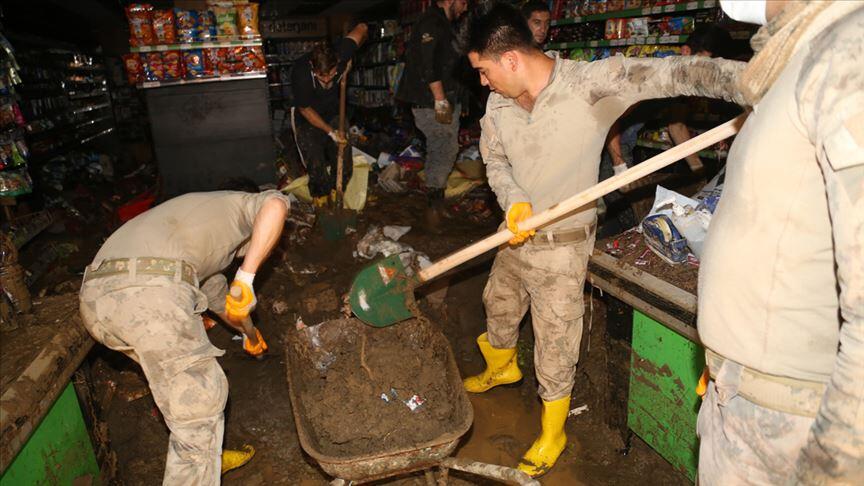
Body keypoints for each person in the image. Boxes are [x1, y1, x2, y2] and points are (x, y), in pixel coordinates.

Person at [461, 3, 746, 477]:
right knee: (499, 302)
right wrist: (513, 199)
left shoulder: (591, 85)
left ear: (510, 59)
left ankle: (553, 431)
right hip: (514, 234)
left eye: (484, 71)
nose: (483, 82)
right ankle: (502, 366)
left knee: (556, 340)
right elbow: (495, 161)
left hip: (563, 245)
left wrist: (755, 82)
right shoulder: (498, 103)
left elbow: (675, 73)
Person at [697, 0, 864, 484]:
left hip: (788, 420)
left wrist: (834, 464)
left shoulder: (849, 52)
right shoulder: (803, 53)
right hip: (748, 397)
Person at [79, 188, 292, 485]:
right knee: (200, 403)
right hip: (149, 290)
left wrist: (251, 335)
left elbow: (224, 304)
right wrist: (246, 276)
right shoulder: (240, 207)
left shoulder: (193, 238)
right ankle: (197, 461)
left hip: (97, 302)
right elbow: (277, 204)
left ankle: (207, 455)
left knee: (175, 390)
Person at [396, 0, 468, 225]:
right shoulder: (431, 22)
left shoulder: (443, 23)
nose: (465, 8)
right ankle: (432, 208)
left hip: (442, 98)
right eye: (463, 2)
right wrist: (440, 100)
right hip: (432, 101)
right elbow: (429, 65)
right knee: (442, 149)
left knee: (446, 148)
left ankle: (437, 203)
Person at [291, 23, 368, 207]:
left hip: (334, 111)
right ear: (313, 67)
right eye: (321, 76)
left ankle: (337, 194)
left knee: (343, 156)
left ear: (337, 63)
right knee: (315, 161)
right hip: (308, 116)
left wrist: (353, 57)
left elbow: (363, 27)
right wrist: (331, 132)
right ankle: (322, 201)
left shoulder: (342, 53)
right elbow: (305, 109)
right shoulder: (301, 73)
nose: (326, 80)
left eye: (331, 75)